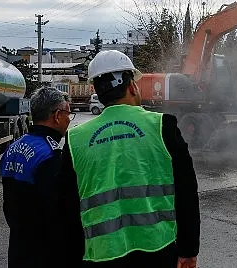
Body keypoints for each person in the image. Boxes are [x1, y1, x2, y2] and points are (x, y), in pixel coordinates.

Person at [59, 50, 200, 268]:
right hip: (158, 250)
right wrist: (189, 250)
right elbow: (186, 191)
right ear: (132, 85)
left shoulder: (75, 138)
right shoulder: (163, 126)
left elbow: (67, 208)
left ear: (96, 90)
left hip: (100, 254)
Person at [0, 87, 74, 268]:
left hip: (18, 245)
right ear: (57, 115)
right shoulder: (50, 154)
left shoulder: (12, 148)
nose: (69, 120)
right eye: (68, 114)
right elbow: (56, 211)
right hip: (44, 251)